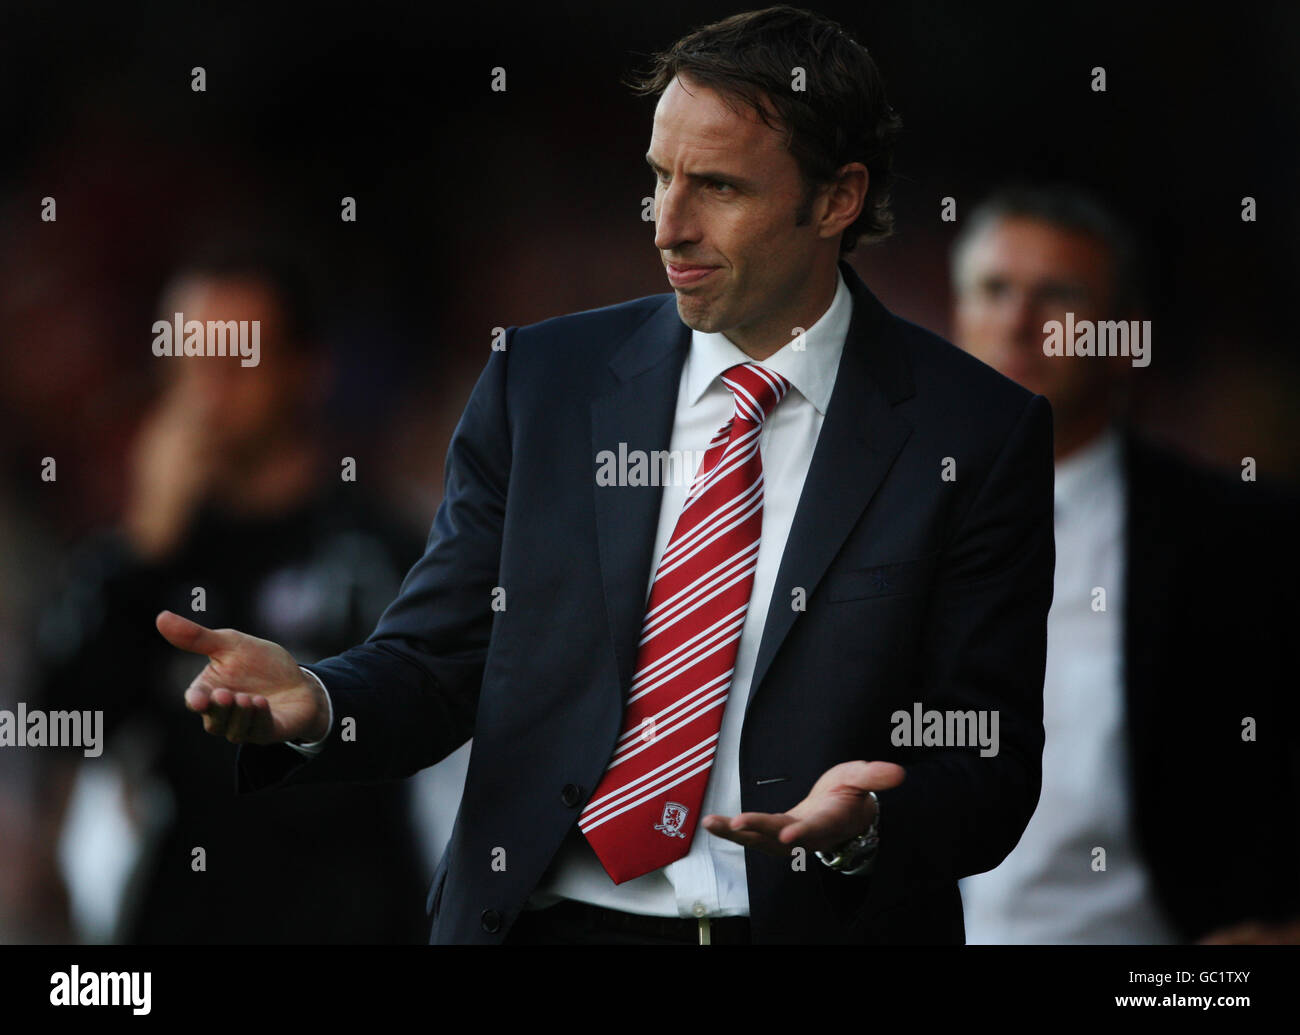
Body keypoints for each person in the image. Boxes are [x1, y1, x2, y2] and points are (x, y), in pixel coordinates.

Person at [157, 6, 1056, 945]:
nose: (669, 227)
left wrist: (869, 826)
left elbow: (986, 764)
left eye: (716, 187)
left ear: (837, 199)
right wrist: (320, 698)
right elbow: (439, 659)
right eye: (659, 178)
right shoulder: (541, 382)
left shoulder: (975, 433)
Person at [31, 241, 430, 943]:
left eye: (233, 365)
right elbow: (63, 721)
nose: (206, 395)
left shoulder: (385, 554)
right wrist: (144, 547)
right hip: (184, 919)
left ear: (308, 369)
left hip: (355, 917)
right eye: (186, 367)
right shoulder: (138, 561)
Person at [951, 185, 1300, 944]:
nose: (1018, 321)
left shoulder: (1244, 539)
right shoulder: (870, 516)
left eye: (1059, 296)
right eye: (994, 289)